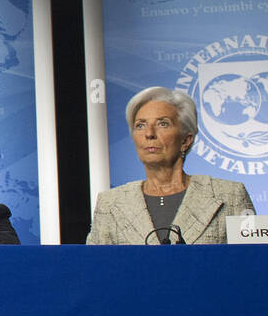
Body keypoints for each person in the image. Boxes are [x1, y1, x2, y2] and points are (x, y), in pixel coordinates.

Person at [87, 86, 255, 244]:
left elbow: (253, 264)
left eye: (163, 123)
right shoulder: (110, 203)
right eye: (140, 125)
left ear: (186, 140)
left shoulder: (229, 195)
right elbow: (93, 268)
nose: (149, 134)